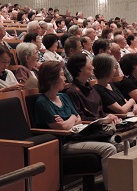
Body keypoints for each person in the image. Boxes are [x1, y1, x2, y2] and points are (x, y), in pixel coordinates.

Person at [34, 60, 116, 191]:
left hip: (79, 136)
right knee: (109, 149)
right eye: (61, 75)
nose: (65, 78)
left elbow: (77, 117)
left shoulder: (63, 96)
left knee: (118, 142)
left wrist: (70, 119)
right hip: (64, 143)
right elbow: (61, 128)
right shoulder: (42, 102)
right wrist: (72, 119)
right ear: (51, 79)